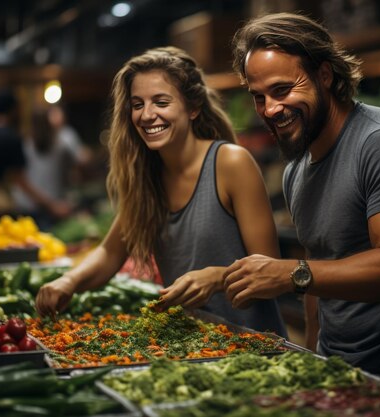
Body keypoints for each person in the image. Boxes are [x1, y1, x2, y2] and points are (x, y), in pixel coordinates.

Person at [223, 12, 380, 407]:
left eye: (283, 89)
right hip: (343, 380)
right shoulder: (297, 171)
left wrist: (290, 273)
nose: (271, 109)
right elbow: (316, 277)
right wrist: (311, 366)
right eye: (260, 97)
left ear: (325, 75)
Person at [36, 46, 286, 336]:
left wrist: (217, 277)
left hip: (254, 346)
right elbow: (110, 252)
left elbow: (271, 268)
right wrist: (68, 282)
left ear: (193, 108)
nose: (147, 115)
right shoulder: (147, 178)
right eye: (138, 104)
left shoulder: (230, 162)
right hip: (190, 346)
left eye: (161, 102)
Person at [0, 90, 71, 222]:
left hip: (23, 206)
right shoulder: (19, 141)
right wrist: (51, 205)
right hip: (39, 206)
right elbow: (19, 179)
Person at [10, 107, 82, 229]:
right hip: (37, 209)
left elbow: (74, 169)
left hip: (44, 208)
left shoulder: (60, 147)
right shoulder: (25, 146)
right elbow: (20, 181)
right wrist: (51, 205)